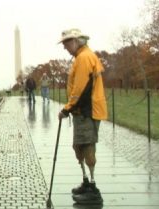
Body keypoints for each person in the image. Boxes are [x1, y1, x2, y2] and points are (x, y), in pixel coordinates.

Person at [57, 28, 107, 205]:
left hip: (87, 112)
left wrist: (67, 109)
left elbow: (81, 89)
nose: (64, 47)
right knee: (79, 146)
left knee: (87, 148)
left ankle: (93, 189)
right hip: (82, 112)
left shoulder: (85, 57)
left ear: (76, 41)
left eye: (66, 43)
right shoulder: (80, 57)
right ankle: (86, 182)